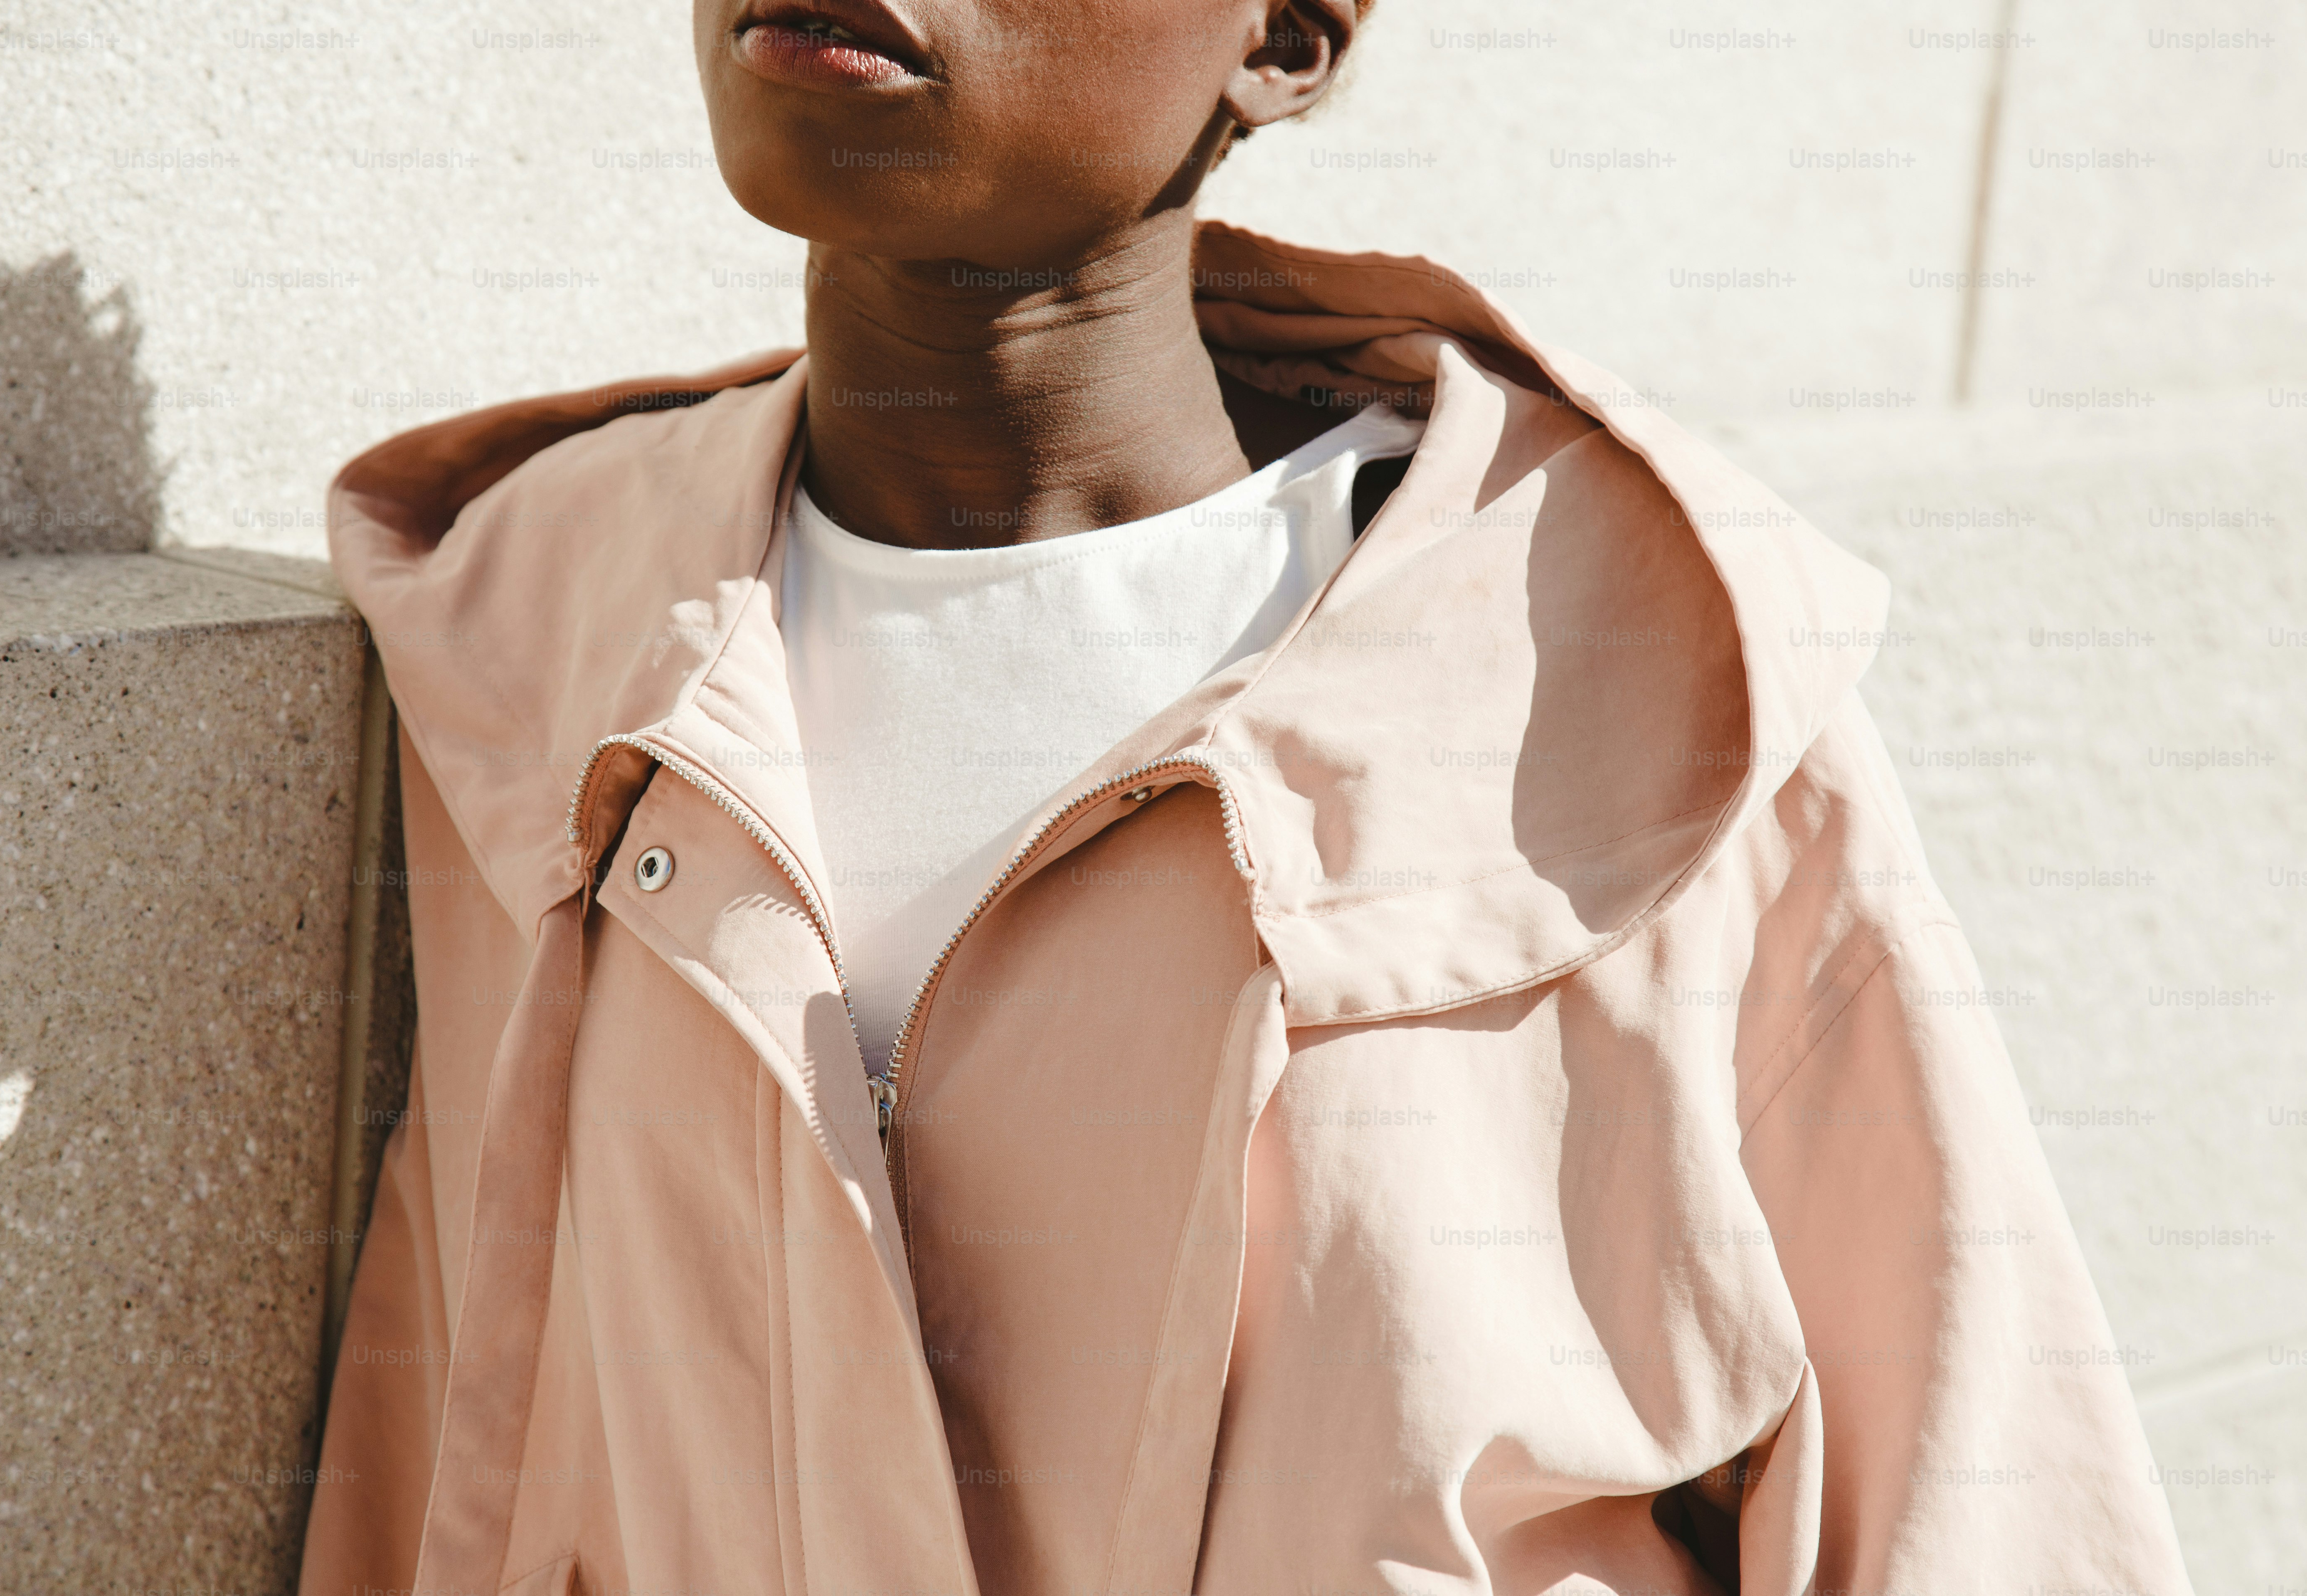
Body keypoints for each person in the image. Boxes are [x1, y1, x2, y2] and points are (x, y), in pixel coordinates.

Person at [301, 1, 2193, 1592]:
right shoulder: (539, 639)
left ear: (1284, 33)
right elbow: (446, 1445)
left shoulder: (1637, 691)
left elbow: (1978, 1491)